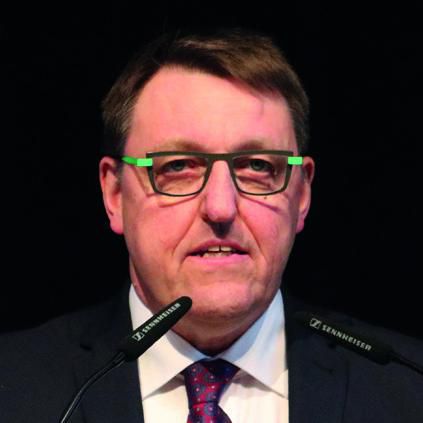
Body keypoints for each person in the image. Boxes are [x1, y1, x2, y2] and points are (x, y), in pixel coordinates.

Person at [1, 28, 422, 423]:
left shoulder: (407, 388)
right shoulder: (15, 386)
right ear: (114, 194)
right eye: (178, 167)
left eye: (257, 167)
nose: (221, 208)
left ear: (302, 194)